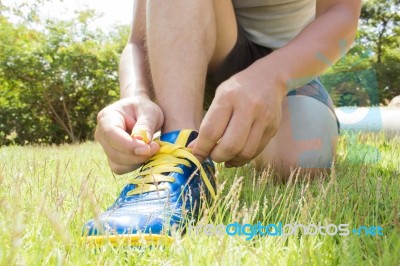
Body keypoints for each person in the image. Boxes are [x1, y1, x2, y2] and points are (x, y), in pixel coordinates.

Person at [82, 0, 361, 245]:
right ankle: (181, 156)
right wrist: (136, 96)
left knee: (300, 163)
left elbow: (341, 12)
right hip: (198, 60)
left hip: (292, 66)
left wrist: (272, 76)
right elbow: (138, 39)